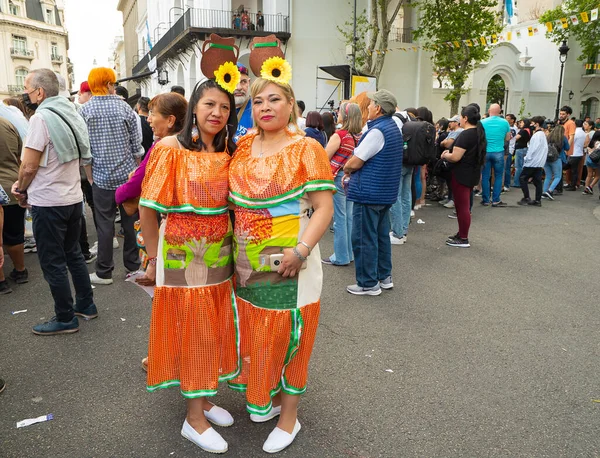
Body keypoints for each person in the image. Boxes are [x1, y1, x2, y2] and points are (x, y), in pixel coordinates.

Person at [228, 73, 334, 452]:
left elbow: (324, 209)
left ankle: (290, 419)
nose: (265, 108)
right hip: (245, 266)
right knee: (258, 336)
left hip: (291, 263)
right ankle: (267, 399)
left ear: (290, 104)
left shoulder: (306, 148)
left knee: (293, 338)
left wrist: (301, 252)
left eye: (274, 100)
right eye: (258, 102)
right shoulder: (242, 147)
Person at [137, 79, 238, 454]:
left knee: (212, 330)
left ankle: (205, 397)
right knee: (195, 331)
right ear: (193, 107)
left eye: (225, 108)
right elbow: (148, 207)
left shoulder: (228, 150)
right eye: (209, 104)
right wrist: (151, 255)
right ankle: (193, 419)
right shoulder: (169, 149)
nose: (217, 113)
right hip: (181, 254)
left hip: (220, 256)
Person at [12, 68, 97, 335]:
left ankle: (65, 317)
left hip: (48, 201)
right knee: (73, 255)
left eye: (27, 89)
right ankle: (86, 305)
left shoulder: (41, 118)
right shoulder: (72, 111)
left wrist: (21, 189)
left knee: (52, 261)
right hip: (72, 199)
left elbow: (28, 165)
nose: (25, 94)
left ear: (39, 92)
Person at [80, 67, 142, 285]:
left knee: (104, 225)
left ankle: (104, 271)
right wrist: (135, 172)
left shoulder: (85, 111)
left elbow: (84, 151)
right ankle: (133, 267)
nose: (114, 86)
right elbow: (137, 147)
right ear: (107, 84)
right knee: (131, 221)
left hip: (101, 178)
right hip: (127, 177)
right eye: (113, 83)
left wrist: (90, 177)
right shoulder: (124, 108)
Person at [343, 89, 403, 295]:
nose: (367, 107)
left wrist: (346, 169)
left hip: (368, 193)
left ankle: (368, 283)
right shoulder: (393, 127)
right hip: (384, 193)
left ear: (378, 108)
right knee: (380, 237)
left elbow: (356, 161)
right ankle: (383, 276)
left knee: (363, 238)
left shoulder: (377, 131)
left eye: (370, 104)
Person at [440, 104, 486, 248]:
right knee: (463, 206)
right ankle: (461, 233)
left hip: (461, 174)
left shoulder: (466, 134)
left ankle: (463, 237)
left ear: (465, 118)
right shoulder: (478, 133)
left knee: (462, 207)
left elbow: (456, 157)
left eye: (460, 116)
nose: (459, 118)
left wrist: (446, 155)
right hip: (471, 172)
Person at [323, 102, 362, 265]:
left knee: (340, 218)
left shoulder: (340, 135)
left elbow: (325, 156)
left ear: (345, 116)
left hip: (338, 178)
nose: (337, 114)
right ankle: (349, 253)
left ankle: (340, 257)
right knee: (349, 217)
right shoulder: (359, 136)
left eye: (339, 112)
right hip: (352, 178)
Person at [0, 116, 26, 294]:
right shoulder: (6, 123)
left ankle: (1, 282)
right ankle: (20, 271)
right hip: (12, 185)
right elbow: (20, 154)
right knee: (15, 233)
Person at [480, 103, 510, 207]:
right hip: (498, 151)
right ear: (500, 111)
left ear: (489, 111)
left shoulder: (482, 122)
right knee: (498, 176)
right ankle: (496, 199)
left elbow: (479, 137)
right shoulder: (505, 122)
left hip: (486, 152)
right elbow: (507, 138)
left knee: (485, 176)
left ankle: (485, 199)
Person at [518, 116, 548, 207]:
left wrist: (527, 159)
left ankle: (526, 197)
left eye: (532, 123)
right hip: (539, 162)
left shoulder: (536, 135)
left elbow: (532, 149)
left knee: (522, 178)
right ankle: (538, 200)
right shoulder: (542, 135)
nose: (530, 125)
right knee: (537, 181)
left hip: (532, 162)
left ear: (537, 124)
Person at [542, 124, 569, 200]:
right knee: (558, 176)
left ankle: (544, 192)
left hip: (547, 158)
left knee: (548, 176)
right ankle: (550, 190)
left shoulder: (549, 137)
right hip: (557, 158)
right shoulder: (563, 138)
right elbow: (567, 148)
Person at [233, 63, 253, 142]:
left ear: (249, 82)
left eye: (243, 82)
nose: (239, 87)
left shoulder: (257, 108)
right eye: (234, 82)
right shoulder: (219, 110)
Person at [566, 119, 586, 190]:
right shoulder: (583, 132)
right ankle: (573, 184)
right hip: (579, 152)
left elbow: (571, 141)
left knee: (572, 170)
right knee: (574, 170)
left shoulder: (575, 132)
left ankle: (572, 185)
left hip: (573, 153)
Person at [512, 118, 531, 188]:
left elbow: (515, 138)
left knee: (518, 167)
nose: (520, 124)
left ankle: (517, 182)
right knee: (523, 166)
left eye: (521, 122)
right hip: (525, 148)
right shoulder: (529, 130)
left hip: (520, 149)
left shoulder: (523, 131)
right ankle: (523, 181)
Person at [583, 120, 600, 194]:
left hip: (589, 159)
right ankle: (590, 186)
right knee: (597, 175)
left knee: (589, 174)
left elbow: (588, 148)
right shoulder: (598, 143)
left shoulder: (592, 142)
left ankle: (586, 189)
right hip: (597, 161)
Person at [504, 113, 518, 191]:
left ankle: (506, 184)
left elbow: (508, 138)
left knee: (507, 168)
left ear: (512, 120)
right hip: (505, 148)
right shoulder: (507, 127)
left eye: (508, 118)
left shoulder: (513, 129)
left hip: (509, 149)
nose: (506, 119)